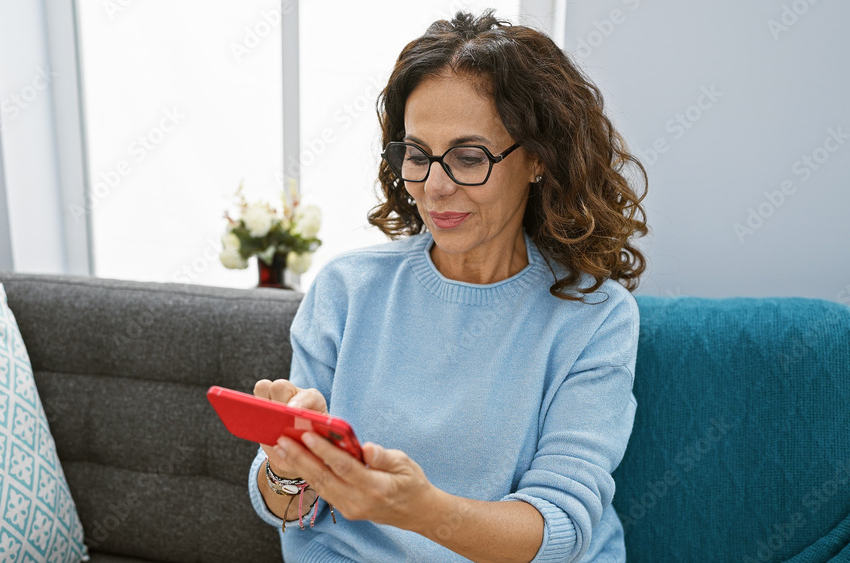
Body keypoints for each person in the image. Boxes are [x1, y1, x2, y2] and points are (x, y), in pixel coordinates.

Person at [247, 10, 648, 562]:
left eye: (468, 156)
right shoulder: (346, 290)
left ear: (536, 159)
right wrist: (286, 471)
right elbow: (292, 511)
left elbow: (561, 527)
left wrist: (421, 511)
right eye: (417, 154)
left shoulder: (595, 315)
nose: (433, 187)